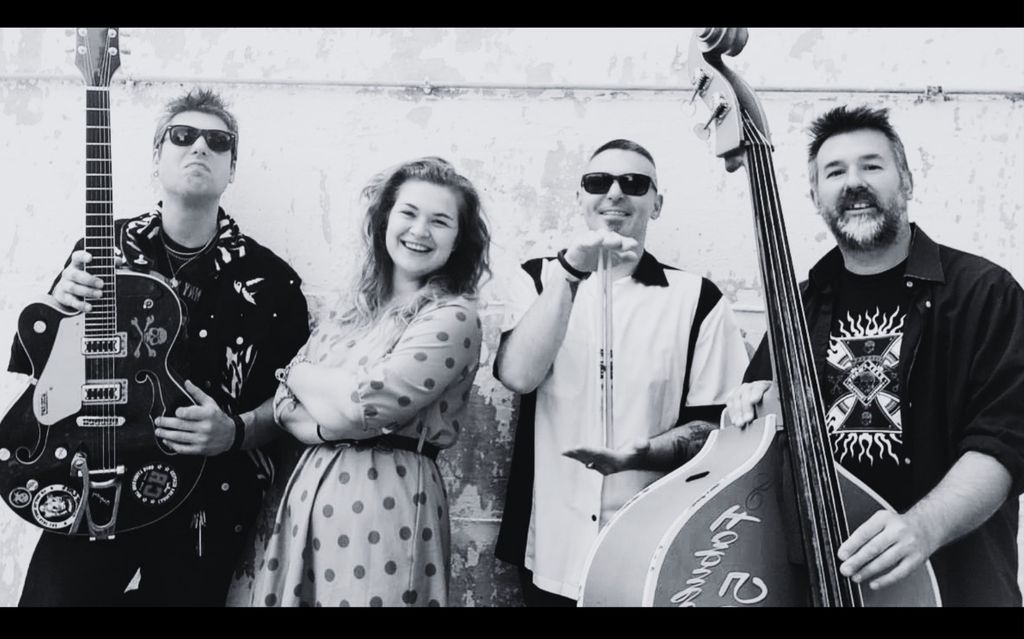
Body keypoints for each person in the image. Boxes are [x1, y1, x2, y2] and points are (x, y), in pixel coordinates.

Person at [8, 88, 310, 606]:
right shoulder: (100, 249)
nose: (200, 147)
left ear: (232, 169)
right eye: (182, 135)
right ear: (156, 156)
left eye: (218, 141)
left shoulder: (272, 282)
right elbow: (43, 376)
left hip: (207, 497)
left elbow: (294, 403)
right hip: (91, 475)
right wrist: (58, 309)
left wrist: (235, 432)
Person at [725, 105, 1024, 606]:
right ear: (815, 197)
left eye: (872, 165)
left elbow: (1006, 440)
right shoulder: (796, 306)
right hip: (825, 586)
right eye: (834, 172)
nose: (854, 182)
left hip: (953, 586)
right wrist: (752, 410)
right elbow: (761, 450)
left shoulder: (983, 292)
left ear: (906, 181)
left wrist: (922, 527)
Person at [493, 139, 750, 605]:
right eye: (598, 182)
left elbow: (716, 425)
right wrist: (572, 272)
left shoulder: (698, 298)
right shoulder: (537, 278)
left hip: (652, 547)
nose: (614, 192)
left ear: (657, 203)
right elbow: (518, 376)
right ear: (580, 198)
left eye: (634, 183)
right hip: (551, 548)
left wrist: (643, 453)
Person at [248, 157, 490, 607]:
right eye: (408, 213)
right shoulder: (352, 310)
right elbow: (283, 406)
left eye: (440, 221)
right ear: (384, 221)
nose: (420, 230)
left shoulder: (453, 316)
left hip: (387, 504)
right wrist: (327, 419)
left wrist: (300, 374)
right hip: (311, 501)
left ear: (459, 240)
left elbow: (369, 405)